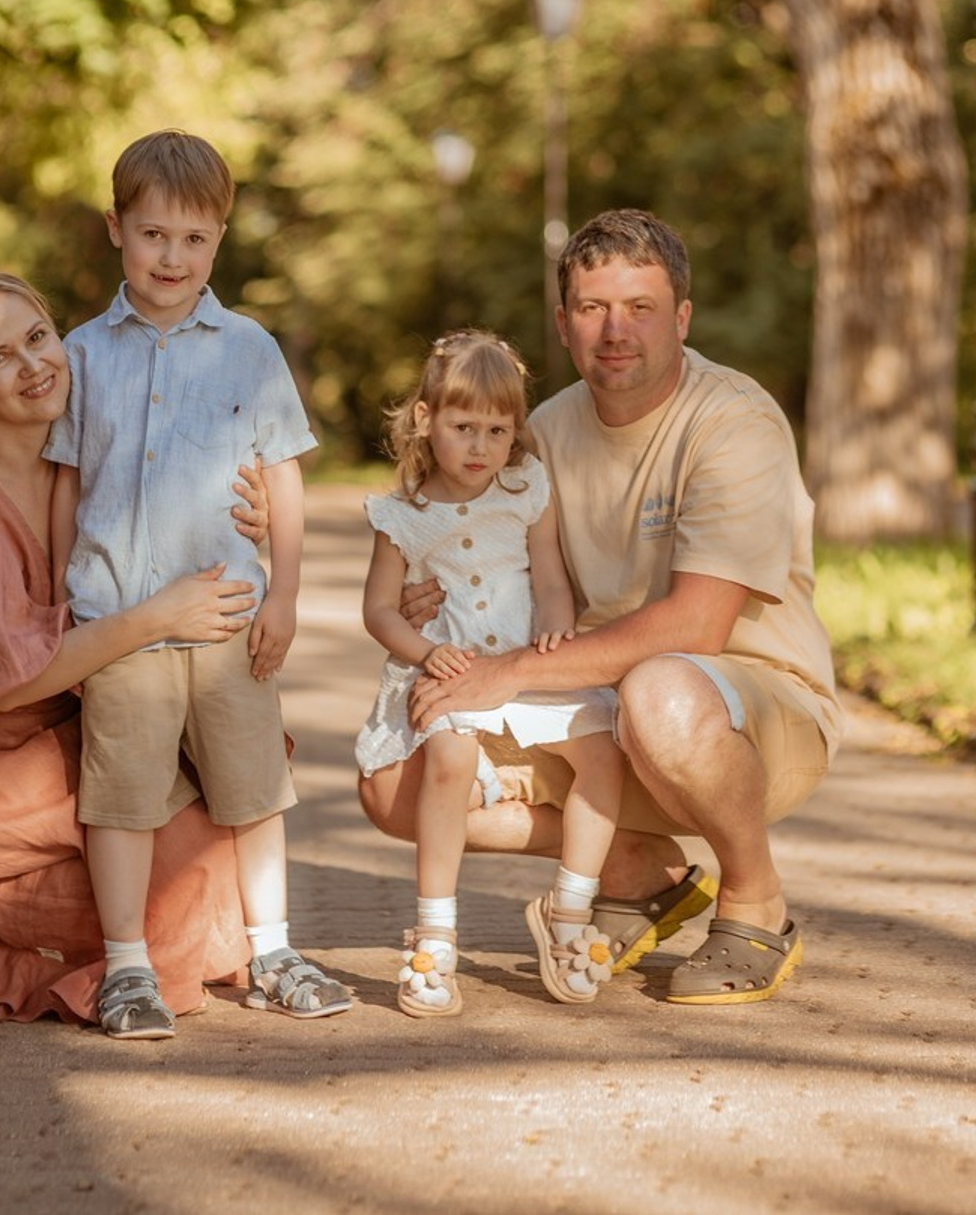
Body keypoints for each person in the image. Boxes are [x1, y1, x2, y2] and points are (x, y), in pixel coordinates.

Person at [360, 209, 843, 1005]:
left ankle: (755, 901)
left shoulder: (735, 421)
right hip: (600, 705)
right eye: (593, 308)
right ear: (564, 324)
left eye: (640, 308)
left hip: (744, 714)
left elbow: (698, 626)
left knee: (662, 689)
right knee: (393, 783)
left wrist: (508, 672)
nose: (616, 330)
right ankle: (637, 873)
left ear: (681, 318)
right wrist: (426, 593)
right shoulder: (542, 435)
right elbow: (493, 557)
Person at [0, 270, 268, 1025]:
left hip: (56, 731)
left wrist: (248, 519)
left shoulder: (90, 460)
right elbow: (3, 686)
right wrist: (155, 618)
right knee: (175, 903)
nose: (34, 365)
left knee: (223, 875)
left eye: (38, 337)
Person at [44, 129, 351, 1038]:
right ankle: (127, 967)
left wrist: (285, 595)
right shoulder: (83, 354)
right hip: (119, 623)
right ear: (116, 229)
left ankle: (273, 952)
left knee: (255, 789)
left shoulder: (249, 349)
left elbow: (282, 475)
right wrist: (58, 603)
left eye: (193, 238)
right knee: (121, 798)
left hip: (228, 623)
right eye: (152, 235)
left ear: (219, 239)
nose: (171, 257)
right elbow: (66, 485)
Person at [354, 331, 625, 1016]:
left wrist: (554, 634)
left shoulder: (527, 489)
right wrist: (423, 653)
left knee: (602, 754)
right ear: (427, 420)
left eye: (497, 431)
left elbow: (552, 579)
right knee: (449, 758)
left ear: (515, 433)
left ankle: (570, 909)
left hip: (527, 659)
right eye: (463, 427)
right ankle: (435, 931)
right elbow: (378, 610)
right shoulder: (403, 515)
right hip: (450, 664)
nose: (480, 446)